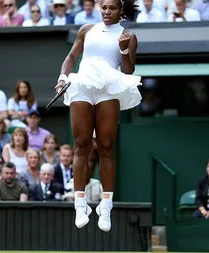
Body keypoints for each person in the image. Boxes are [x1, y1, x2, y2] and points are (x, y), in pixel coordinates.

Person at [54, 0, 141, 232]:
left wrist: (123, 50)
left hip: (108, 89)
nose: (107, 12)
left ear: (121, 11)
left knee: (106, 146)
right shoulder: (86, 30)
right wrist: (63, 77)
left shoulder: (128, 35)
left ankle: (106, 205)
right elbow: (72, 57)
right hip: (82, 85)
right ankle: (79, 203)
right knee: (81, 144)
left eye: (112, 8)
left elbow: (128, 71)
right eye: (104, 7)